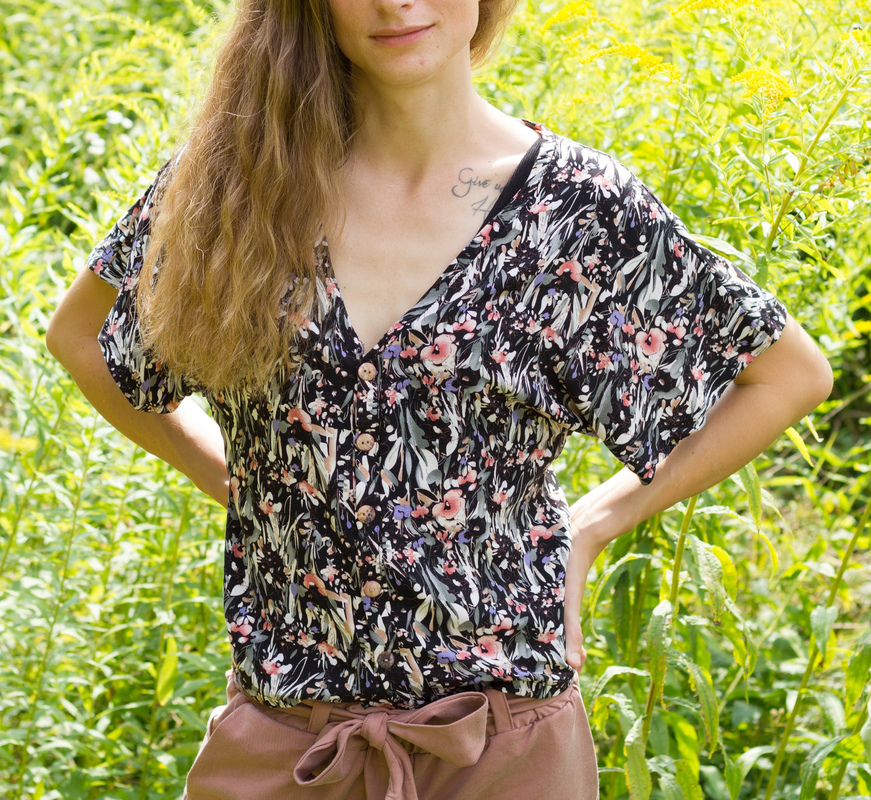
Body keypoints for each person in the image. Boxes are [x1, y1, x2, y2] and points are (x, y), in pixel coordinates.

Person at [46, 0, 834, 798]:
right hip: (287, 749)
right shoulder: (239, 184)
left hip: (503, 750)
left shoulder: (576, 210)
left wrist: (592, 526)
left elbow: (785, 375)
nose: (396, 2)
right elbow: (81, 336)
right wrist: (231, 476)